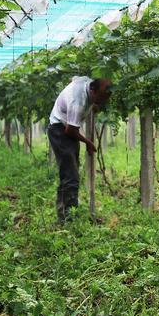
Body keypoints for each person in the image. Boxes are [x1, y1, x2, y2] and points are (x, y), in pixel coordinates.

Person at [47, 76, 112, 223]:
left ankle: (63, 214)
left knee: (69, 173)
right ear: (93, 90)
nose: (103, 102)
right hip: (60, 131)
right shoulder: (79, 101)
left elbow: (73, 78)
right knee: (71, 177)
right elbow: (71, 130)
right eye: (101, 97)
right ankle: (69, 220)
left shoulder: (86, 82)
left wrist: (93, 104)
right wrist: (88, 142)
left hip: (65, 129)